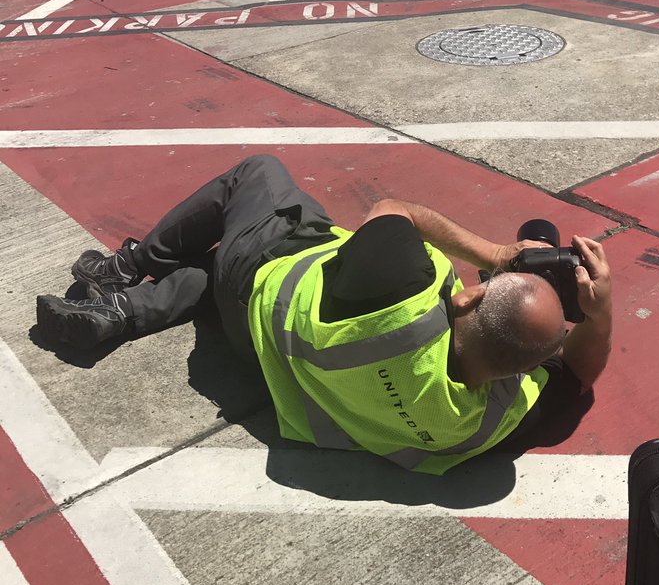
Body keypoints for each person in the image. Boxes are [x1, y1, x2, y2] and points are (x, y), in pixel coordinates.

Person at [35, 155, 613, 476]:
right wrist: (600, 311)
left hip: (266, 284)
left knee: (256, 176)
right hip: (272, 369)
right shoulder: (496, 416)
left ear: (468, 298)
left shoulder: (403, 289)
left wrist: (494, 255)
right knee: (208, 272)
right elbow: (579, 376)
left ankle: (125, 268)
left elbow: (395, 212)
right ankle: (119, 312)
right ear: (530, 366)